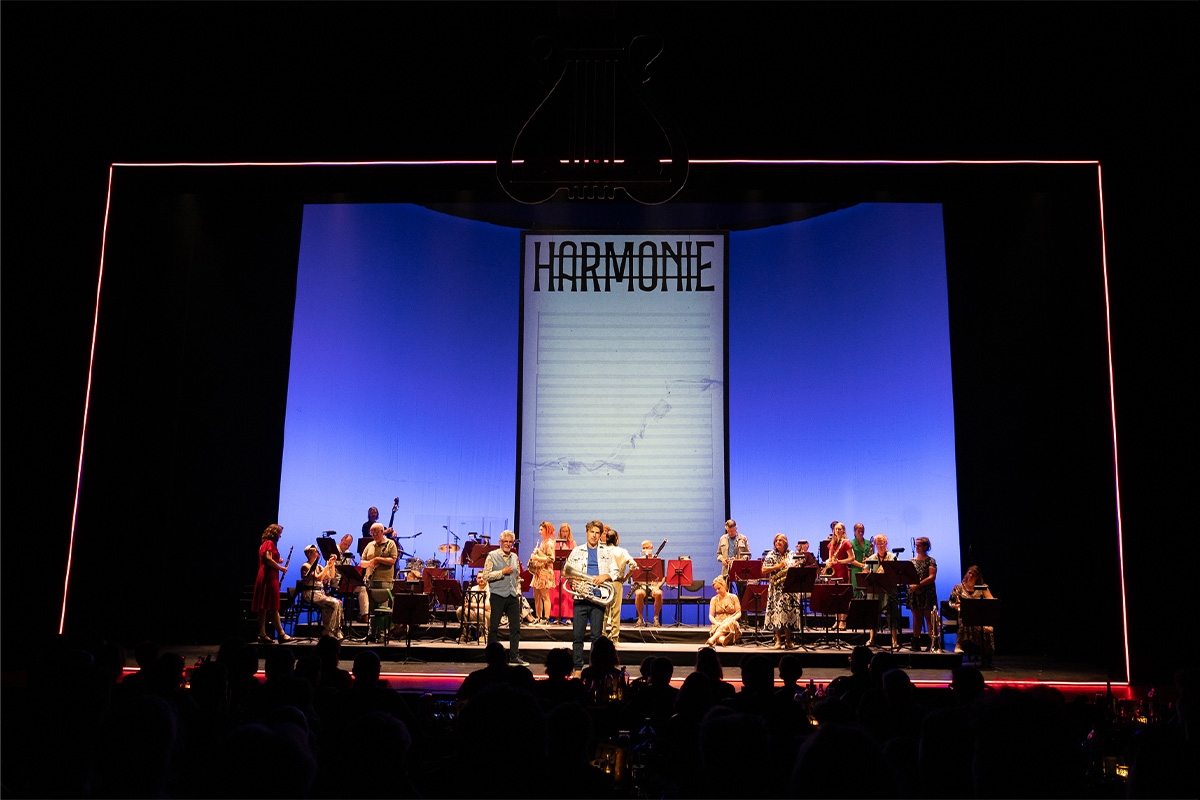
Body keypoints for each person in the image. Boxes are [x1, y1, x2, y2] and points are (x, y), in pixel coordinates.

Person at [562, 519, 619, 674]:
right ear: (587, 533)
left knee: (596, 637)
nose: (594, 535)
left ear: (600, 535)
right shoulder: (576, 551)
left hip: (598, 598)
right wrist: (572, 582)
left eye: (597, 533)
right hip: (580, 598)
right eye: (592, 532)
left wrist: (605, 576)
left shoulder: (607, 551)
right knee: (577, 636)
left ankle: (595, 667)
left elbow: (615, 571)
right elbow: (567, 571)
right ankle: (578, 668)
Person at [480, 530, 528, 666]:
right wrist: (502, 572)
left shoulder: (514, 556)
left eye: (510, 542)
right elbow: (486, 576)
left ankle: (514, 656)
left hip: (512, 596)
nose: (508, 544)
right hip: (498, 595)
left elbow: (517, 576)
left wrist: (518, 590)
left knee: (515, 628)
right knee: (494, 627)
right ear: (500, 542)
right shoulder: (492, 555)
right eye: (505, 541)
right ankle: (492, 658)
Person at [252, 523, 293, 644]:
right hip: (269, 577)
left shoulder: (264, 544)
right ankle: (281, 634)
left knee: (263, 608)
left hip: (265, 575)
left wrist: (277, 560)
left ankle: (262, 634)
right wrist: (281, 568)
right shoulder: (269, 543)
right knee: (273, 606)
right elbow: (268, 559)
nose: (280, 536)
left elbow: (268, 559)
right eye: (279, 534)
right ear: (274, 533)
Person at [861, 534, 900, 649]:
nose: (880, 546)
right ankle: (872, 638)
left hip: (888, 590)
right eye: (877, 544)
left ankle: (894, 640)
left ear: (886, 543)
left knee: (891, 615)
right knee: (873, 614)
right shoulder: (872, 558)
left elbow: (897, 574)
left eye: (882, 543)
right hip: (874, 590)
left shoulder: (893, 558)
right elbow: (865, 572)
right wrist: (868, 574)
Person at [949, 565, 995, 660]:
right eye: (969, 573)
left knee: (985, 625)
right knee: (964, 615)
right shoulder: (959, 588)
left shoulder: (982, 587)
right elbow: (951, 602)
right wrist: (955, 606)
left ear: (977, 577)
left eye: (973, 574)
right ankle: (959, 644)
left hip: (979, 615)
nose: (970, 576)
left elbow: (992, 602)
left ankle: (986, 652)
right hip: (964, 615)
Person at [298, 544, 344, 640]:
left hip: (319, 593)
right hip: (310, 593)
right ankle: (329, 631)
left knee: (338, 603)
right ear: (309, 553)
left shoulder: (318, 567)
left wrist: (332, 564)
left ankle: (336, 630)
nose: (317, 553)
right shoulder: (306, 566)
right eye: (315, 551)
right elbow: (318, 578)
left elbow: (331, 576)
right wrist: (327, 566)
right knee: (333, 603)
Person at [762, 533, 799, 649]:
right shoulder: (771, 554)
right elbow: (763, 570)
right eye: (776, 540)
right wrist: (778, 566)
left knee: (788, 615)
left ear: (785, 543)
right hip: (776, 589)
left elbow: (796, 566)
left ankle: (788, 641)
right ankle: (778, 641)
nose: (778, 542)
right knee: (777, 614)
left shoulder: (791, 554)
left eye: (780, 540)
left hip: (789, 588)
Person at [362, 523, 398, 641]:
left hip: (384, 581)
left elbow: (393, 560)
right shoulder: (369, 545)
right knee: (371, 609)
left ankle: (382, 634)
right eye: (372, 533)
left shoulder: (390, 543)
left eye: (376, 532)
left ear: (382, 532)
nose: (374, 535)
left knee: (383, 609)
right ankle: (371, 633)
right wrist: (371, 562)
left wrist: (378, 559)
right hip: (370, 580)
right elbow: (362, 563)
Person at [907, 536, 938, 651]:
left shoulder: (931, 561)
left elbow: (932, 577)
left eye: (919, 545)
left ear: (925, 547)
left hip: (927, 592)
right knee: (916, 617)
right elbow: (907, 576)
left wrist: (918, 585)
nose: (917, 547)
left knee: (929, 617)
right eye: (916, 545)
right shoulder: (911, 561)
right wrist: (913, 586)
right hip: (914, 592)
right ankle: (916, 642)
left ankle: (932, 642)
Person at [604, 529, 632, 643]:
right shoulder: (622, 551)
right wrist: (625, 577)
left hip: (603, 582)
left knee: (603, 611)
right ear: (616, 539)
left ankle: (601, 636)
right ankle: (614, 638)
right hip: (617, 582)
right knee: (615, 610)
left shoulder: (601, 550)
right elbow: (633, 565)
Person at [334, 533, 369, 624]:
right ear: (341, 540)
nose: (346, 546)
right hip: (335, 581)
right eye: (345, 544)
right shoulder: (334, 551)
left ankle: (364, 615)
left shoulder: (348, 554)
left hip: (345, 581)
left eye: (348, 545)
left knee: (362, 587)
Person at [825, 521, 853, 629]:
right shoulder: (832, 543)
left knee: (842, 596)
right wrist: (828, 562)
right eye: (836, 529)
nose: (837, 531)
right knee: (834, 597)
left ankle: (843, 621)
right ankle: (836, 620)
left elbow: (852, 558)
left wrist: (840, 561)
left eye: (840, 529)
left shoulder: (846, 543)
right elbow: (829, 557)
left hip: (842, 570)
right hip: (833, 571)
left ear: (843, 530)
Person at [527, 520, 557, 624]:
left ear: (547, 530)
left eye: (541, 529)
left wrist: (537, 557)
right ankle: (538, 617)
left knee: (545, 596)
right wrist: (537, 553)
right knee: (536, 595)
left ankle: (546, 618)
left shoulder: (549, 543)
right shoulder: (543, 542)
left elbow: (551, 559)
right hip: (539, 571)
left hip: (545, 572)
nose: (539, 531)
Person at [632, 539, 664, 626]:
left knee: (659, 594)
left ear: (652, 548)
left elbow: (663, 577)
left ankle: (655, 617)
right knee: (639, 593)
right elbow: (635, 576)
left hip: (654, 586)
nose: (645, 549)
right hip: (642, 585)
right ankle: (640, 617)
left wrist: (658, 586)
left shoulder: (657, 560)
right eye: (644, 548)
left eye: (647, 547)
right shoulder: (638, 561)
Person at [706, 576, 742, 647]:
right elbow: (711, 615)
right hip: (718, 622)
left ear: (724, 586)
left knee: (729, 623)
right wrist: (716, 623)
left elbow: (738, 612)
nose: (717, 591)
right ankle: (724, 640)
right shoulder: (714, 599)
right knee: (720, 635)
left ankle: (712, 639)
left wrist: (733, 619)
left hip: (731, 621)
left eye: (719, 588)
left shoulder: (733, 597)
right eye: (716, 589)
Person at [716, 519, 751, 590]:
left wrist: (739, 560)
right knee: (726, 591)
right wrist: (722, 559)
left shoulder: (743, 538)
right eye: (728, 531)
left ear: (736, 528)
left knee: (742, 592)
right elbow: (719, 554)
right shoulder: (722, 538)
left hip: (740, 571)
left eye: (732, 531)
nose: (730, 533)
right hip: (726, 570)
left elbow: (748, 555)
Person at [555, 522, 576, 625]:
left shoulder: (573, 543)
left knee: (567, 594)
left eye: (566, 531)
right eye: (563, 531)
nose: (564, 533)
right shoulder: (556, 543)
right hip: (557, 571)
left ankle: (568, 617)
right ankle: (556, 617)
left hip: (567, 571)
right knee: (557, 594)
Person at [849, 522, 872, 596]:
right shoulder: (851, 543)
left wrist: (868, 560)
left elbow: (872, 556)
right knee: (857, 590)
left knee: (868, 590)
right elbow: (850, 559)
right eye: (859, 531)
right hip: (856, 569)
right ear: (854, 532)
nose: (861, 533)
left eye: (862, 531)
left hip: (867, 569)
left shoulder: (869, 543)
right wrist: (862, 565)